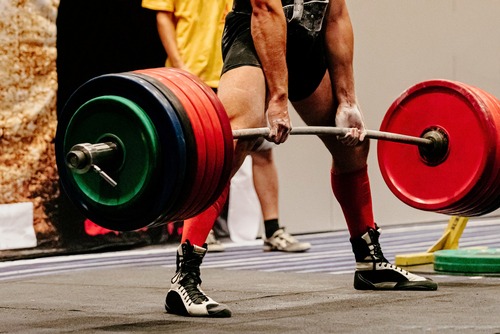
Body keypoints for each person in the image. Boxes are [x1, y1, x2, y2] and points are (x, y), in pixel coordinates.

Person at [161, 0, 439, 318]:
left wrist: (348, 100)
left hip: (304, 38)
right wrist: (277, 99)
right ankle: (184, 279)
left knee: (352, 146)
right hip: (255, 33)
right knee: (236, 140)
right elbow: (266, 10)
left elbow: (335, 18)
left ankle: (370, 262)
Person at [141, 0, 309, 254]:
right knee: (207, 157)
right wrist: (179, 65)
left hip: (238, 71)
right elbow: (163, 17)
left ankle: (273, 229)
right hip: (194, 77)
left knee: (261, 148)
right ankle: (200, 231)